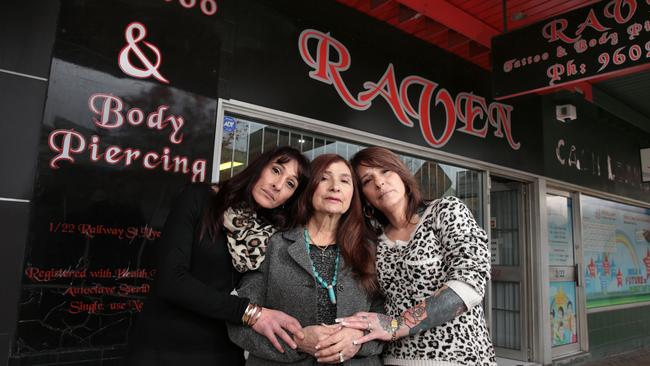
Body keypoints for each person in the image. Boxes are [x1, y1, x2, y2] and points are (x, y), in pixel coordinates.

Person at [126, 146, 310, 366]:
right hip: (163, 345)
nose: (277, 185)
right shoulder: (199, 198)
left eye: (290, 184)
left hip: (222, 350)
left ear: (291, 197)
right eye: (276, 170)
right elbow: (171, 280)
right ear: (259, 166)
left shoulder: (274, 236)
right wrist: (251, 313)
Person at [331, 147, 495, 366]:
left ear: (401, 174)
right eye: (368, 181)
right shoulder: (373, 241)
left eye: (385, 171)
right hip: (393, 360)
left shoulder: (445, 211)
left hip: (458, 358)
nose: (380, 183)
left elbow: (470, 284)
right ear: (365, 198)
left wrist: (397, 325)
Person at [228, 154, 384, 365]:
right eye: (324, 178)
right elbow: (239, 323)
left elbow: (388, 316)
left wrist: (358, 340)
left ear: (353, 195)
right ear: (308, 187)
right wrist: (296, 341)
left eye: (345, 181)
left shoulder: (371, 250)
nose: (335, 187)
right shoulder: (272, 244)